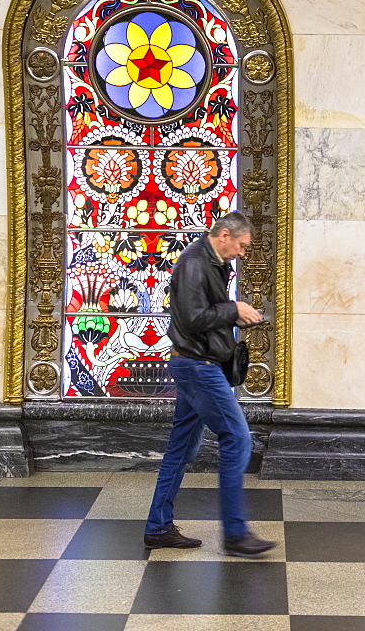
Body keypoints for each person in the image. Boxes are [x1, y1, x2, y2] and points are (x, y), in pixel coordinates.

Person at [144, 211, 276, 556]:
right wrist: (234, 310)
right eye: (242, 246)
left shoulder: (212, 262)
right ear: (226, 235)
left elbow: (206, 314)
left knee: (181, 448)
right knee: (237, 437)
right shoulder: (194, 263)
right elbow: (192, 317)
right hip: (198, 367)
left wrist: (239, 316)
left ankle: (158, 527)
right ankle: (235, 533)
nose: (243, 253)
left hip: (197, 362)